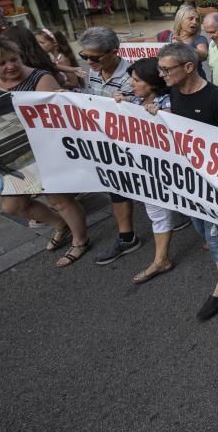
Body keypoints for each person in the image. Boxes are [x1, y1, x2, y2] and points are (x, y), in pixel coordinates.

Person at [0, 37, 89, 267]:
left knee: (58, 199)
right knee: (12, 206)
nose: (10, 66)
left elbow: (55, 120)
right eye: (1, 63)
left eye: (13, 59)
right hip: (10, 152)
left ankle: (80, 239)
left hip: (45, 149)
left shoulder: (41, 78)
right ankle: (59, 224)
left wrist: (8, 101)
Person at [153, 42, 218, 319]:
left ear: (189, 67)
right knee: (201, 229)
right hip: (188, 180)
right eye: (160, 69)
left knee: (216, 234)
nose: (162, 75)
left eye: (166, 69)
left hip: (214, 181)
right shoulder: (174, 93)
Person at [112, 57, 188, 284]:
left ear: (152, 83)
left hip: (173, 169)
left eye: (137, 80)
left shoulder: (170, 103)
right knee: (157, 212)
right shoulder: (133, 101)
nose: (132, 85)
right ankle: (161, 259)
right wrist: (118, 104)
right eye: (131, 80)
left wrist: (164, 116)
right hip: (147, 170)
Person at [80, 26, 150, 265]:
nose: (89, 62)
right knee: (117, 188)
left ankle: (173, 215)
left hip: (136, 143)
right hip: (109, 145)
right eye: (84, 56)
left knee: (150, 184)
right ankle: (127, 237)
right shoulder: (93, 72)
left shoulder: (133, 75)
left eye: (95, 57)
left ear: (113, 52)